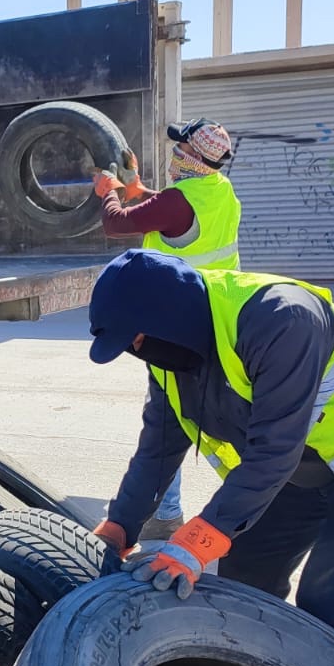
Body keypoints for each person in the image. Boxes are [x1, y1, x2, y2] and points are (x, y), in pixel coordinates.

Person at [86, 249, 334, 655]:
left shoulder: (281, 319)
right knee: (247, 574)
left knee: (332, 605)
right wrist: (120, 525)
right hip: (305, 466)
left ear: (168, 315)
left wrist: (197, 540)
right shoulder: (169, 353)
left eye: (137, 337)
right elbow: (157, 450)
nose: (138, 350)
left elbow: (273, 449)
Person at [94, 118, 242, 541]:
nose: (175, 152)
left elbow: (117, 223)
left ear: (194, 157)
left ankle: (172, 512)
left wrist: (110, 194)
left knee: (166, 419)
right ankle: (169, 510)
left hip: (174, 329)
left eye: (181, 148)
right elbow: (161, 206)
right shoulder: (220, 192)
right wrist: (134, 183)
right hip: (218, 322)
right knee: (176, 417)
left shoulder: (178, 201)